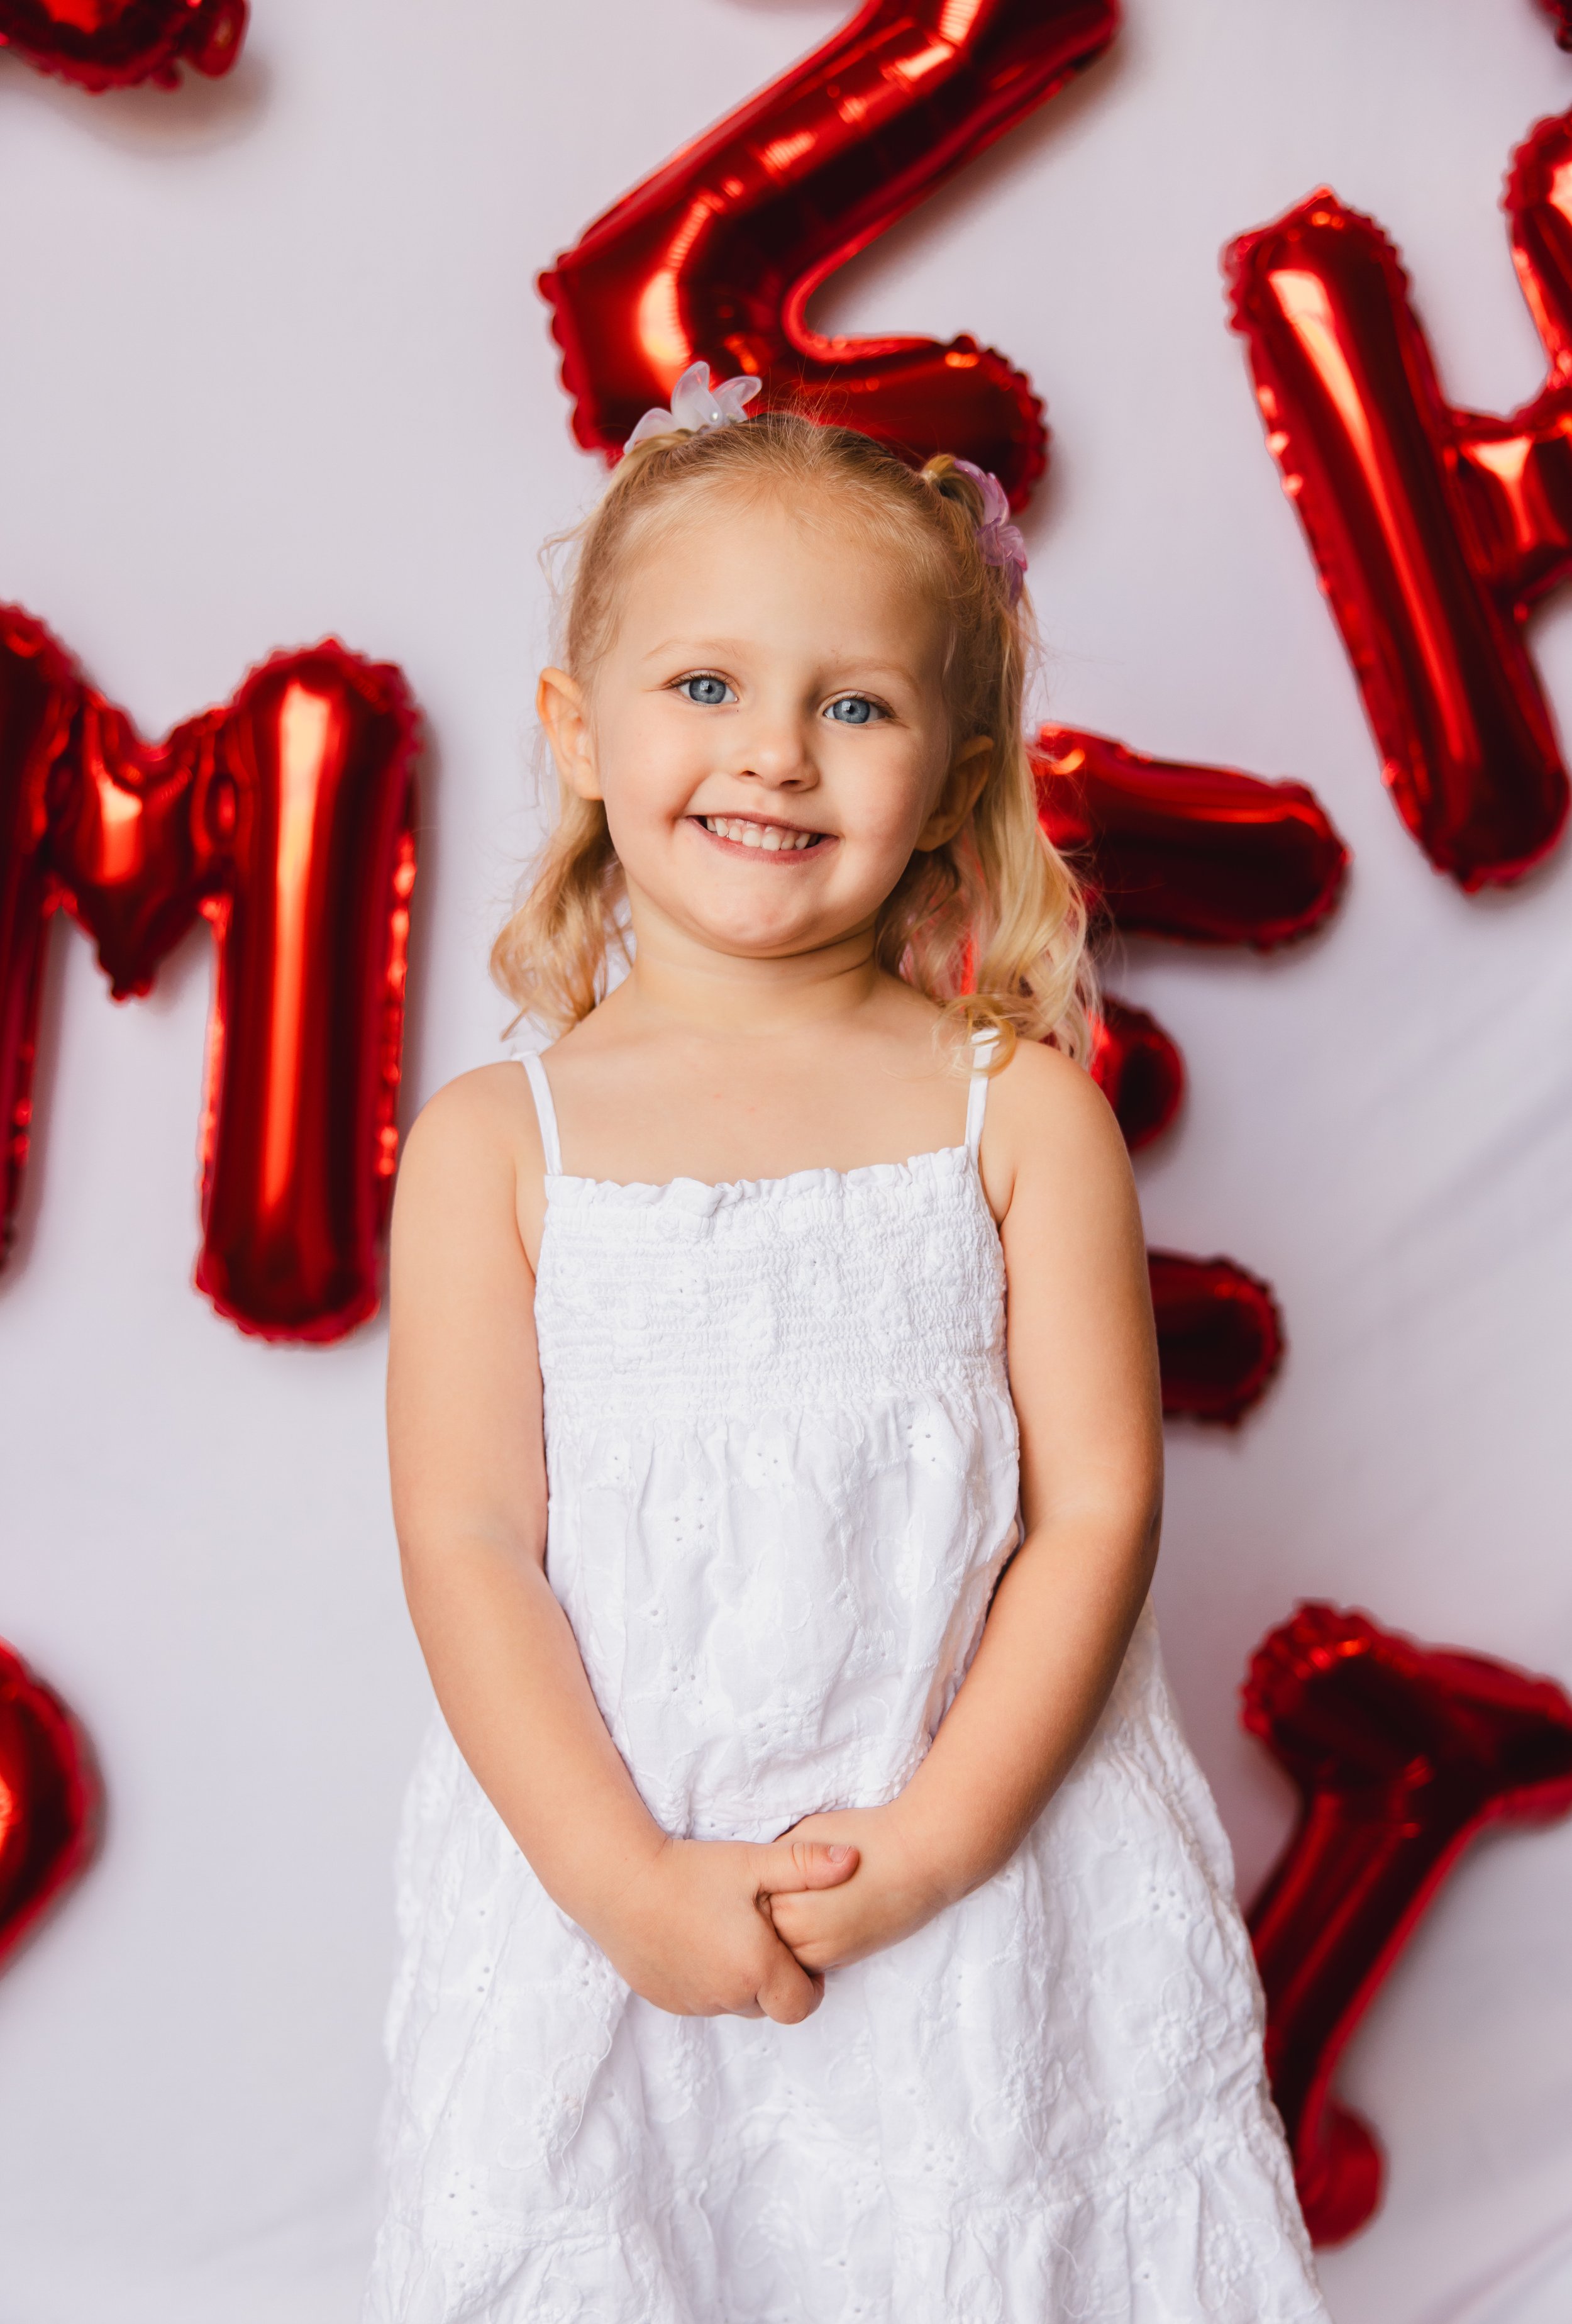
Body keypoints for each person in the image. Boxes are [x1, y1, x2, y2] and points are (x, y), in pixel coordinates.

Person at [365, 367, 1327, 2323]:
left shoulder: (1016, 1109)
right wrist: (625, 1887)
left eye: (857, 704)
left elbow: (1096, 1512)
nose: (775, 757)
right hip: (616, 1870)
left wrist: (932, 1849)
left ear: (959, 774)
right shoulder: (495, 1145)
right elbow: (467, 1544)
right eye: (705, 687)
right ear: (575, 728)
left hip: (986, 1875)